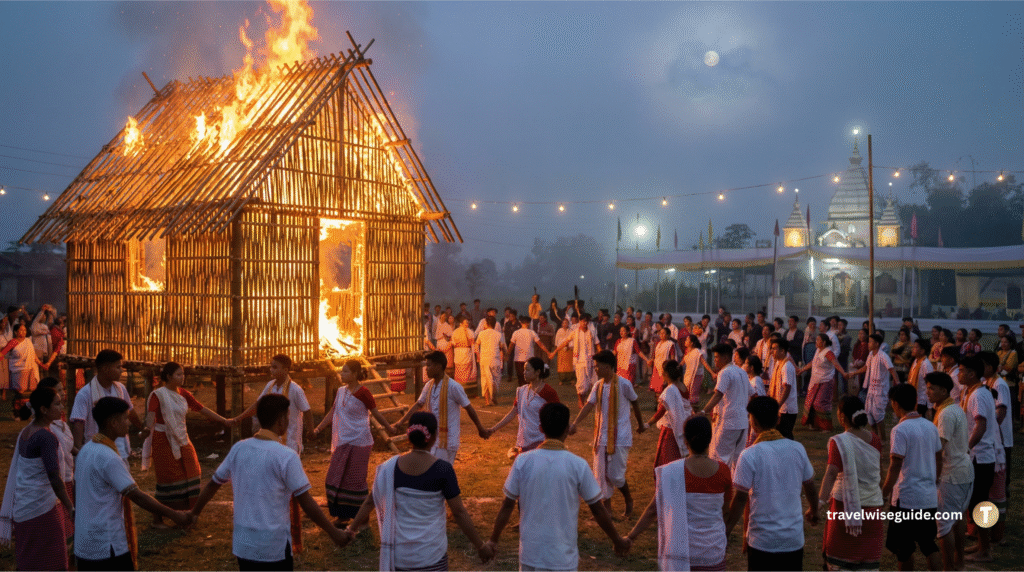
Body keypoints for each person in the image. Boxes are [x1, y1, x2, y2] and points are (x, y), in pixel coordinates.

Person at [191, 394, 348, 571]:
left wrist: (194, 513)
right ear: (281, 420)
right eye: (287, 417)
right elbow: (306, 501)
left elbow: (213, 483)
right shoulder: (286, 456)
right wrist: (334, 533)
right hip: (272, 545)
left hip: (244, 544)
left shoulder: (239, 448)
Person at [486, 402, 628, 569]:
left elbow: (507, 505)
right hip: (562, 559)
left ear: (540, 428)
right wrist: (617, 540)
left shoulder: (523, 461)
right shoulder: (578, 465)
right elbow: (597, 509)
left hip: (531, 556)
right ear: (567, 429)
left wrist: (493, 540)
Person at [347, 412, 494, 569]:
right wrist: (480, 546)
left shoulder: (391, 468)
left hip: (400, 557)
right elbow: (458, 512)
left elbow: (371, 501)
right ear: (433, 436)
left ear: (409, 436)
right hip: (432, 556)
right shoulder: (443, 469)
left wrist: (350, 530)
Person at [75, 397, 190, 570]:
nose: (128, 423)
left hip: (85, 542)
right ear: (114, 422)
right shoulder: (108, 457)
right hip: (106, 545)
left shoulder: (87, 449)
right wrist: (174, 515)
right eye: (125, 418)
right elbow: (137, 495)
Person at [628, 415, 733, 571]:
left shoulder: (672, 471)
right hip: (713, 553)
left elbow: (652, 510)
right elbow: (725, 511)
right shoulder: (723, 471)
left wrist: (630, 537)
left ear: (685, 440)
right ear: (710, 439)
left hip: (681, 554)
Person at [232, 354, 313, 555]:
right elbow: (257, 406)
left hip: (289, 443)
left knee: (290, 488)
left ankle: (291, 533)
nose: (271, 370)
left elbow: (307, 410)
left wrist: (311, 431)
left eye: (275, 367)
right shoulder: (270, 387)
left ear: (286, 369)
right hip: (269, 441)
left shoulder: (295, 389)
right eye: (271, 367)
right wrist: (239, 418)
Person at [725, 396, 817, 571]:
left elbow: (740, 499)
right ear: (778, 419)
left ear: (753, 423)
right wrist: (814, 510)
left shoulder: (749, 455)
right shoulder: (797, 449)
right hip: (792, 540)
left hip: (762, 542)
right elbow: (810, 487)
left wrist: (727, 529)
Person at [142, 361, 232, 528]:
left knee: (192, 471)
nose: (182, 377)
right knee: (169, 478)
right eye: (178, 374)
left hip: (182, 438)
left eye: (183, 374)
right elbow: (151, 415)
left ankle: (187, 513)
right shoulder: (158, 395)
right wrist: (147, 429)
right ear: (168, 377)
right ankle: (157, 519)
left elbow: (201, 408)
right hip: (163, 440)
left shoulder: (183, 394)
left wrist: (224, 420)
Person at [314, 360, 397, 527]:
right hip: (342, 440)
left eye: (345, 372)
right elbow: (333, 412)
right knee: (336, 476)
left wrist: (389, 427)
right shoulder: (340, 391)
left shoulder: (364, 393)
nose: (342, 374)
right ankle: (342, 516)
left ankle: (362, 518)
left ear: (354, 374)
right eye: (342, 371)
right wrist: (318, 429)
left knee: (356, 479)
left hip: (360, 440)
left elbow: (375, 413)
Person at [0, 386, 75, 570]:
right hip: (42, 510)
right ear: (43, 409)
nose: (61, 407)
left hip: (24, 508)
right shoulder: (46, 437)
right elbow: (54, 477)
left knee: (29, 560)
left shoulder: (27, 431)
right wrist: (70, 506)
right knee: (53, 561)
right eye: (57, 404)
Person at [570, 350, 646, 517]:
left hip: (621, 437)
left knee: (615, 476)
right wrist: (575, 423)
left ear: (608, 367)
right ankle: (607, 510)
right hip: (601, 436)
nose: (595, 370)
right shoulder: (598, 385)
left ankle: (628, 499)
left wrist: (640, 425)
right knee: (600, 474)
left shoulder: (624, 384)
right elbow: (589, 406)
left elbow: (635, 403)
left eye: (598, 367)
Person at [817, 396, 884, 571]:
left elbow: (831, 472)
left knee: (840, 561)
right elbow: (879, 472)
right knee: (867, 564)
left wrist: (819, 502)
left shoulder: (839, 441)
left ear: (842, 417)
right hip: (873, 505)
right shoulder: (874, 439)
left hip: (844, 507)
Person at [881, 383, 943, 571]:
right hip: (928, 496)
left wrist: (883, 493)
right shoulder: (930, 426)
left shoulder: (900, 430)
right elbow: (939, 457)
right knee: (927, 543)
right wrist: (934, 480)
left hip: (906, 498)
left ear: (895, 403)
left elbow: (895, 465)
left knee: (904, 548)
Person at [397, 351, 489, 463]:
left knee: (439, 474)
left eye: (429, 365)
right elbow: (418, 404)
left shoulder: (453, 386)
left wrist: (480, 428)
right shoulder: (428, 385)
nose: (426, 369)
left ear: (439, 366)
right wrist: (400, 422)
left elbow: (469, 408)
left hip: (448, 441)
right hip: (432, 439)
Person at [925, 371, 973, 572]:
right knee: (957, 519)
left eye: (931, 388)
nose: (927, 392)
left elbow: (939, 446)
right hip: (963, 470)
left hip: (952, 474)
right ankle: (958, 563)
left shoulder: (945, 413)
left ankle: (949, 568)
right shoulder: (952, 408)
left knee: (943, 525)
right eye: (927, 388)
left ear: (944, 391)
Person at [958, 355, 1000, 562]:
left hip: (980, 458)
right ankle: (982, 544)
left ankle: (985, 551)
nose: (958, 374)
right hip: (979, 456)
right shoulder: (974, 392)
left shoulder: (978, 395)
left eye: (961, 370)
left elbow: (980, 426)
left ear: (972, 373)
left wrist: (966, 448)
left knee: (981, 504)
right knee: (977, 503)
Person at [71, 349, 145, 460]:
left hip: (121, 450)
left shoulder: (120, 388)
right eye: (118, 367)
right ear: (105, 369)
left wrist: (142, 428)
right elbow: (78, 422)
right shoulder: (85, 393)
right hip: (97, 451)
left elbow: (130, 411)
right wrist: (79, 450)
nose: (122, 371)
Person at [486, 356, 561, 454]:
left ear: (537, 372)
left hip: (542, 441)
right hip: (524, 441)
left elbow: (559, 416)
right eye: (524, 369)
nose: (524, 372)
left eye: (527, 370)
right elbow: (512, 413)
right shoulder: (521, 391)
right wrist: (493, 429)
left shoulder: (548, 392)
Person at [700, 343, 751, 470]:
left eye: (717, 357)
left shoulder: (725, 372)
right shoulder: (742, 372)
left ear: (726, 358)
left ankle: (719, 488)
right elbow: (753, 394)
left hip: (729, 422)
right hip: (742, 422)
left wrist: (703, 411)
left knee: (719, 457)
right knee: (737, 461)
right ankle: (734, 487)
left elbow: (718, 395)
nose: (715, 360)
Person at [979, 351, 1011, 547]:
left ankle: (998, 533)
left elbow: (1001, 410)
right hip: (994, 440)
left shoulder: (1000, 384)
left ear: (990, 366)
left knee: (1000, 486)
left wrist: (990, 428)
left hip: (1001, 441)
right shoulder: (988, 382)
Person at [846, 333, 897, 442]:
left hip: (880, 390)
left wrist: (898, 385)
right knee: (870, 416)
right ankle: (875, 439)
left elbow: (892, 370)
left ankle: (882, 441)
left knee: (879, 417)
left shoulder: (883, 356)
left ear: (877, 343)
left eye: (871, 342)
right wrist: (853, 373)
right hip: (871, 389)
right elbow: (865, 368)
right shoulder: (870, 355)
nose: (869, 344)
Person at [646, 359, 692, 467]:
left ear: (665, 374)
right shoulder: (683, 386)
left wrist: (647, 424)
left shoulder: (671, 390)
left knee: (665, 461)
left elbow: (661, 411)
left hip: (670, 430)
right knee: (678, 459)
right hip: (683, 426)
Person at [798, 333, 848, 431]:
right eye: (816, 340)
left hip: (826, 380)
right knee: (810, 402)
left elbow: (836, 363)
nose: (816, 342)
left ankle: (826, 427)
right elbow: (813, 362)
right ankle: (813, 424)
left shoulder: (828, 352)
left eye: (818, 340)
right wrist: (802, 369)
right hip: (815, 380)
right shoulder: (818, 350)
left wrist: (844, 373)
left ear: (824, 342)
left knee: (820, 403)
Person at [549, 313, 599, 406]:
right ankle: (581, 400)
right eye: (583, 321)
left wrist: (600, 357)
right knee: (581, 382)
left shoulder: (591, 332)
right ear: (580, 322)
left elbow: (597, 344)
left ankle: (592, 400)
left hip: (591, 360)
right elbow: (565, 342)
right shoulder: (575, 332)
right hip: (579, 361)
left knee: (593, 382)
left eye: (586, 321)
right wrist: (554, 352)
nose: (585, 323)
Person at [1, 321, 48, 407]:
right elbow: (2, 353)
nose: (24, 332)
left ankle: (27, 410)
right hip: (18, 370)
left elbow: (33, 356)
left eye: (25, 330)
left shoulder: (28, 341)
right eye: (21, 330)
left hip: (29, 369)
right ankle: (17, 411)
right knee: (20, 392)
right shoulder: (13, 342)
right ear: (15, 332)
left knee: (31, 391)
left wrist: (41, 364)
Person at [766, 338, 799, 439]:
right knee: (779, 434)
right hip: (780, 406)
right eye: (771, 348)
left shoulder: (787, 366)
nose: (772, 351)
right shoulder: (778, 363)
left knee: (785, 434)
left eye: (775, 349)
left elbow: (787, 388)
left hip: (786, 408)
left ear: (783, 351)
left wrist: (778, 405)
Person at [474, 315, 507, 406]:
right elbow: (503, 347)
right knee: (496, 380)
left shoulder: (481, 333)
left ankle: (488, 401)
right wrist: (505, 355)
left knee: (485, 380)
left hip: (484, 359)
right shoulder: (498, 334)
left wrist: (478, 356)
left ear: (487, 323)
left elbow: (476, 346)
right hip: (495, 359)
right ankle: (494, 397)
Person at [509, 315, 550, 386]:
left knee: (521, 377)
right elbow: (540, 344)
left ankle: (524, 392)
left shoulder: (517, 332)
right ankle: (526, 392)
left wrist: (507, 354)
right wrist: (548, 352)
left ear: (521, 323)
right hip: (527, 358)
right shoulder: (531, 332)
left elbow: (511, 345)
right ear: (527, 323)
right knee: (527, 377)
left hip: (520, 359)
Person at [646, 326, 678, 394]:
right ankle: (658, 401)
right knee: (656, 387)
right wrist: (651, 360)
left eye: (663, 333)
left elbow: (672, 356)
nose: (661, 335)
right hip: (657, 367)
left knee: (662, 386)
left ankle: (663, 401)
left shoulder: (670, 344)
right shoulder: (658, 343)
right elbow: (655, 354)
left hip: (665, 367)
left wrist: (671, 367)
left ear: (668, 335)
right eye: (660, 333)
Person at [906, 339, 934, 416]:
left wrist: (930, 406)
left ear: (922, 351)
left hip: (922, 400)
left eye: (915, 347)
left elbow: (930, 384)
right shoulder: (916, 361)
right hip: (914, 398)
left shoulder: (926, 364)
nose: (913, 349)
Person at [450, 318, 477, 389]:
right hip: (459, 354)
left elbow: (472, 343)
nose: (466, 324)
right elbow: (453, 343)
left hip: (467, 354)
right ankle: (458, 389)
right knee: (459, 371)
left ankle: (469, 390)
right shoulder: (455, 332)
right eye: (465, 323)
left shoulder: (470, 331)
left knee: (468, 371)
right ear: (460, 324)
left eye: (467, 323)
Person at [681, 334, 706, 407]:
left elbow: (704, 363)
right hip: (688, 375)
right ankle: (690, 411)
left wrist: (712, 373)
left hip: (697, 375)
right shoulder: (688, 352)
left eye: (687, 340)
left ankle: (694, 411)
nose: (685, 341)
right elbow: (682, 362)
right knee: (687, 393)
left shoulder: (697, 352)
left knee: (693, 394)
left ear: (691, 343)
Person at [553, 317, 575, 387]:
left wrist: (569, 346)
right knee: (561, 365)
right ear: (562, 324)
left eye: (566, 323)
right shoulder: (559, 331)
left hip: (569, 350)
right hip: (561, 350)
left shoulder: (571, 331)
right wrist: (557, 348)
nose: (565, 324)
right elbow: (557, 341)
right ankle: (561, 380)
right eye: (563, 323)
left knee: (570, 365)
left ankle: (571, 379)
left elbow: (572, 340)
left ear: (568, 324)